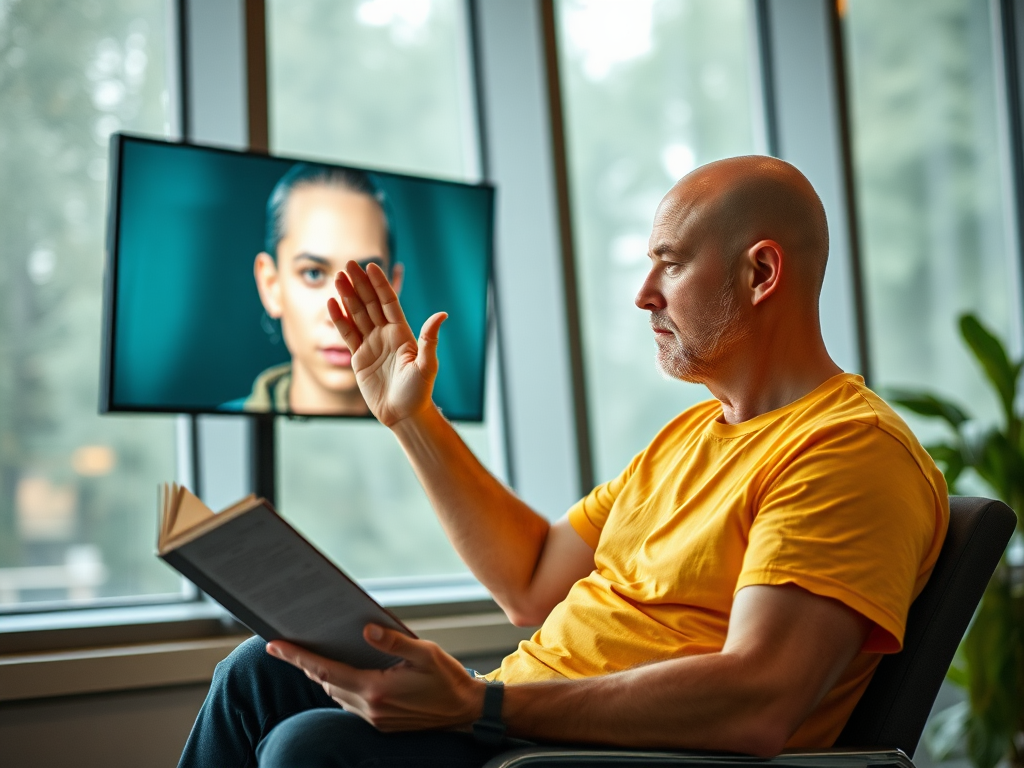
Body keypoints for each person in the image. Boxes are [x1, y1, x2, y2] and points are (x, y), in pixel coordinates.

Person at [179, 156, 948, 767]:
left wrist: (480, 708)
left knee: (308, 749)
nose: (644, 293)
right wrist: (413, 419)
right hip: (524, 730)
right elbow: (534, 582)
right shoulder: (689, 436)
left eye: (670, 265)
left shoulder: (848, 451)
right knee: (257, 673)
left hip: (592, 755)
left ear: (761, 274)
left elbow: (758, 700)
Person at [228, 163, 404, 415]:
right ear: (270, 284)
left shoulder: (441, 447)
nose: (342, 314)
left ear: (393, 288)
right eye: (313, 274)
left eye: (364, 278)